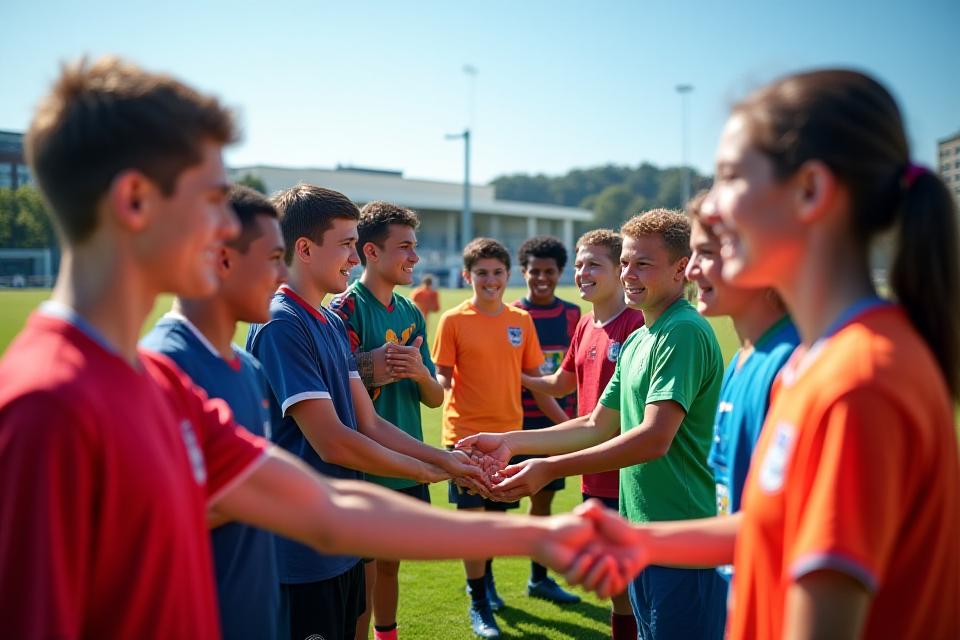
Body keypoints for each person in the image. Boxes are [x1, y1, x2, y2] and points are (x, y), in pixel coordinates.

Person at [0, 56, 634, 640]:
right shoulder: (48, 405)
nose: (231, 226)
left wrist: (531, 532)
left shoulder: (161, 385)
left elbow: (325, 507)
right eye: (214, 201)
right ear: (135, 200)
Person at [567, 69, 960, 640]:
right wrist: (638, 540)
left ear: (811, 191)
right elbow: (770, 529)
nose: (711, 211)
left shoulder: (858, 380)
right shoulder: (816, 362)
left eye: (729, 178)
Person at [459, 210, 728, 640]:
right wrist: (510, 442)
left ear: (681, 268)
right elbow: (595, 422)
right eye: (625, 263)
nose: (628, 274)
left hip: (682, 535)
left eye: (643, 264)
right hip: (641, 530)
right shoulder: (641, 336)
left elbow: (653, 439)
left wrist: (550, 467)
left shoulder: (682, 331)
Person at [246, 185, 484, 640]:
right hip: (301, 547)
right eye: (346, 245)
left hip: (343, 535)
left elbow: (369, 423)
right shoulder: (281, 322)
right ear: (304, 249)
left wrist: (446, 460)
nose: (355, 258)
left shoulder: (331, 322)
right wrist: (426, 471)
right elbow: (333, 442)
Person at [140, 185, 287, 639]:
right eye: (274, 258)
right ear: (223, 259)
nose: (284, 275)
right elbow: (146, 523)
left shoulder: (249, 368)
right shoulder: (161, 367)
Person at [432, 237, 561, 639]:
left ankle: (484, 582)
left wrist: (570, 428)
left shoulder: (521, 321)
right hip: (465, 439)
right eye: (482, 273)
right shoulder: (453, 320)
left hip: (507, 439)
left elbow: (538, 381)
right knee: (474, 525)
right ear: (467, 276)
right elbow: (441, 379)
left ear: (508, 275)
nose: (491, 280)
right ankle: (479, 603)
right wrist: (424, 382)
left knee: (494, 521)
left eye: (497, 272)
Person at [520, 229, 644, 640]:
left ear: (619, 270)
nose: (582, 273)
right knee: (617, 586)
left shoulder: (638, 325)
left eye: (594, 264)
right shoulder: (587, 323)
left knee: (639, 586)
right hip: (593, 474)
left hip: (630, 475)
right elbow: (561, 383)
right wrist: (516, 373)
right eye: (578, 265)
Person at [328, 200, 443, 640]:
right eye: (405, 247)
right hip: (367, 461)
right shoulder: (345, 309)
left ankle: (387, 633)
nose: (415, 256)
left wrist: (419, 373)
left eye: (415, 246)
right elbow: (334, 385)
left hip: (406, 456)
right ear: (371, 252)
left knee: (391, 562)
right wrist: (370, 366)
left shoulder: (411, 312)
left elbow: (434, 397)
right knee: (363, 567)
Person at [511, 235, 583, 605]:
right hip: (516, 425)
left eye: (549, 272)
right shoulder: (512, 314)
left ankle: (538, 578)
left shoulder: (573, 314)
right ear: (523, 272)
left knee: (543, 503)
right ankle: (483, 588)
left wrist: (577, 420)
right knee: (494, 505)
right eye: (534, 271)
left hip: (559, 424)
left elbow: (577, 371)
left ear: (560, 272)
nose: (541, 278)